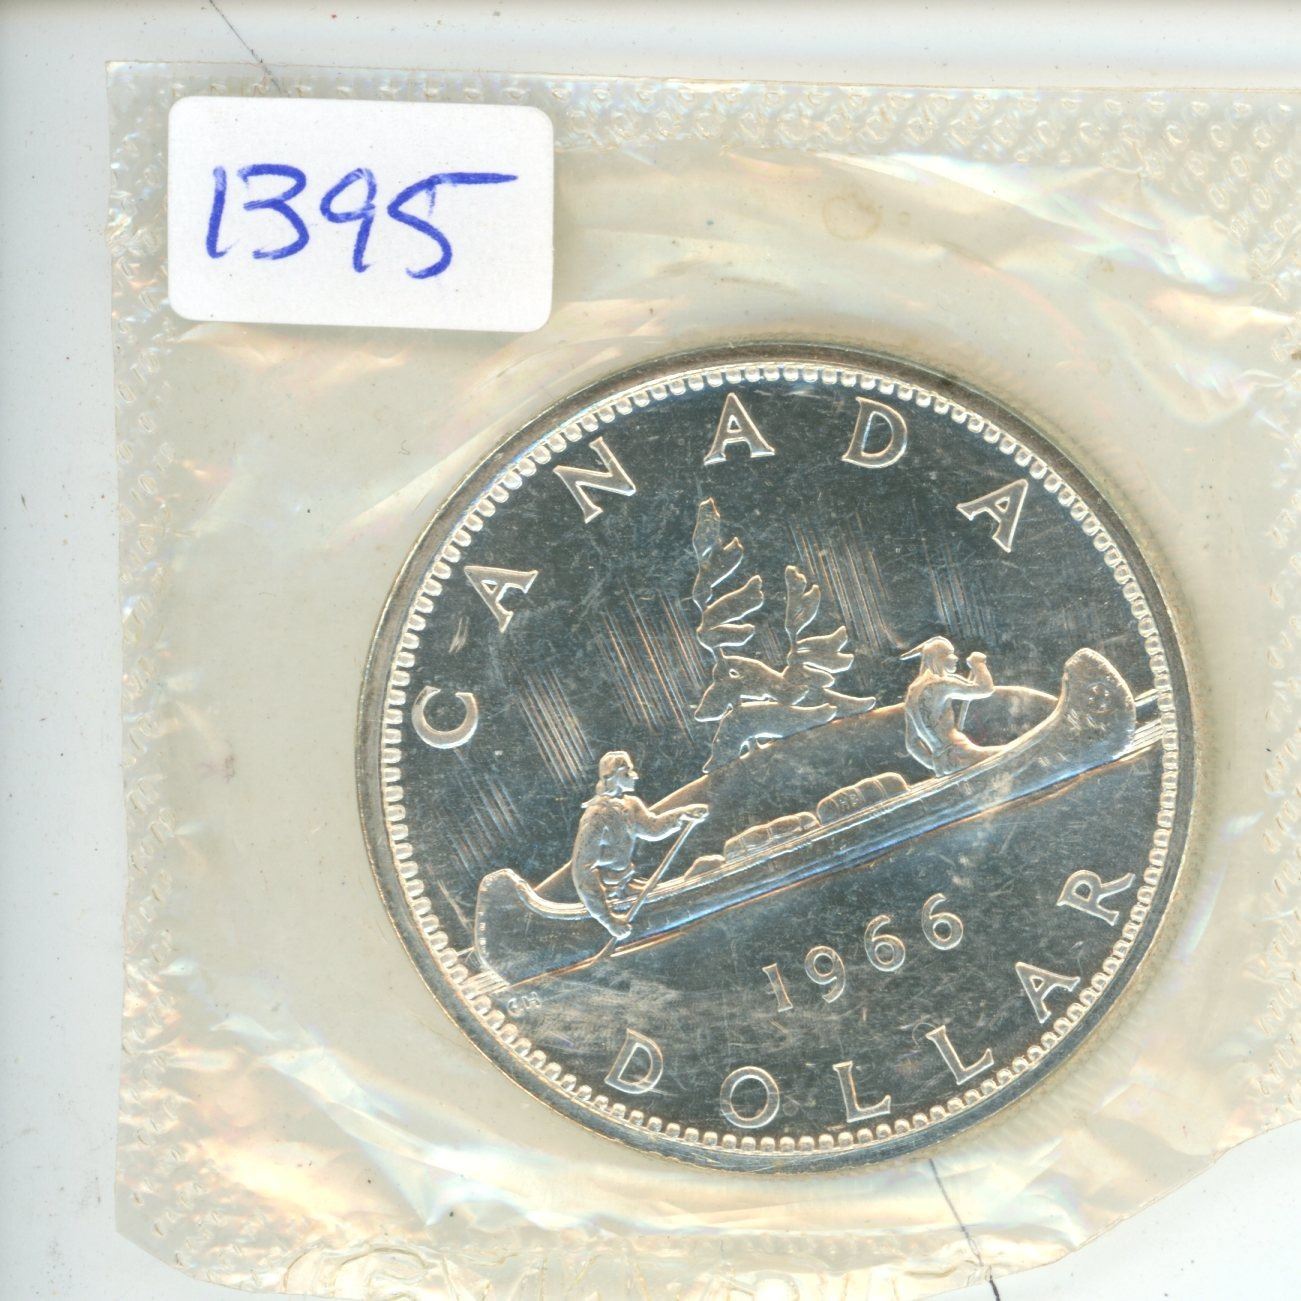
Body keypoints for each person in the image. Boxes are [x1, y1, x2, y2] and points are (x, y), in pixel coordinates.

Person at [570, 751, 708, 941]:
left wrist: (682, 814)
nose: (634, 776)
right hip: (609, 895)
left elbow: (652, 828)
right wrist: (608, 920)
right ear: (613, 776)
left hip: (628, 884)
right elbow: (583, 869)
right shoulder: (596, 816)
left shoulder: (630, 804)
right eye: (627, 772)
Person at [902, 637, 995, 776]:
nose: (955, 658)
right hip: (962, 753)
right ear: (937, 658)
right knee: (1013, 751)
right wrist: (978, 664)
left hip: (941, 763)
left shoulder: (911, 693)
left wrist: (939, 765)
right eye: (949, 654)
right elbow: (985, 688)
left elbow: (912, 744)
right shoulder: (940, 684)